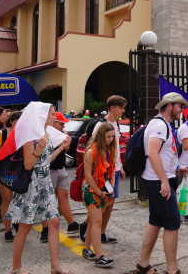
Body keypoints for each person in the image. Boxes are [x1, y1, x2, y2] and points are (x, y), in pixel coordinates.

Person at [3, 102, 72, 274]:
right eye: (51, 113)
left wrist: (61, 148)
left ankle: (56, 267)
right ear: (41, 115)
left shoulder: (46, 132)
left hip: (45, 182)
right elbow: (27, 165)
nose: (55, 116)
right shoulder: (30, 135)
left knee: (54, 222)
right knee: (25, 226)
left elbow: (45, 161)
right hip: (31, 185)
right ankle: (16, 268)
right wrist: (39, 147)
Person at [130, 92, 188, 274]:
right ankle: (172, 271)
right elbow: (153, 153)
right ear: (170, 106)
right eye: (180, 106)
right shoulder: (159, 125)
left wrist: (177, 166)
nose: (182, 110)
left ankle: (143, 265)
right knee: (172, 223)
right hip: (158, 181)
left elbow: (165, 153)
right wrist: (164, 180)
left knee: (155, 221)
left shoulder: (164, 125)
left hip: (157, 179)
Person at [80, 96, 127, 243]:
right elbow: (95, 148)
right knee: (101, 202)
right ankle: (88, 226)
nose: (123, 110)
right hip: (103, 170)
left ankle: (101, 232)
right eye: (121, 107)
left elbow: (116, 147)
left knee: (109, 203)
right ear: (113, 108)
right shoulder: (101, 124)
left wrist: (120, 166)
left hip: (115, 168)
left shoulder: (116, 123)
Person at [81, 122, 117, 267]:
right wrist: (99, 192)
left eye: (113, 136)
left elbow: (112, 171)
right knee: (97, 222)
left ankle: (86, 249)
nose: (111, 139)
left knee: (93, 222)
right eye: (108, 136)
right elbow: (88, 175)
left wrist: (111, 188)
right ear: (101, 136)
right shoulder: (91, 152)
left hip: (105, 190)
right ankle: (99, 257)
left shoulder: (109, 150)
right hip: (92, 191)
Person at [41, 112, 79, 243]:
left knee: (63, 197)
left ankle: (71, 224)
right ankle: (45, 230)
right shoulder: (45, 133)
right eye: (61, 123)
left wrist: (66, 144)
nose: (63, 125)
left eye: (63, 123)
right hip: (49, 170)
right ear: (53, 121)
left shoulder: (62, 132)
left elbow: (65, 150)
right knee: (48, 200)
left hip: (61, 168)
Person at [0, 110, 21, 241]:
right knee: (7, 200)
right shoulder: (2, 133)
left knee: (19, 200)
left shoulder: (25, 134)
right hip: (5, 171)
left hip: (20, 171)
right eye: (16, 122)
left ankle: (17, 222)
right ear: (11, 121)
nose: (18, 125)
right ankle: (7, 230)